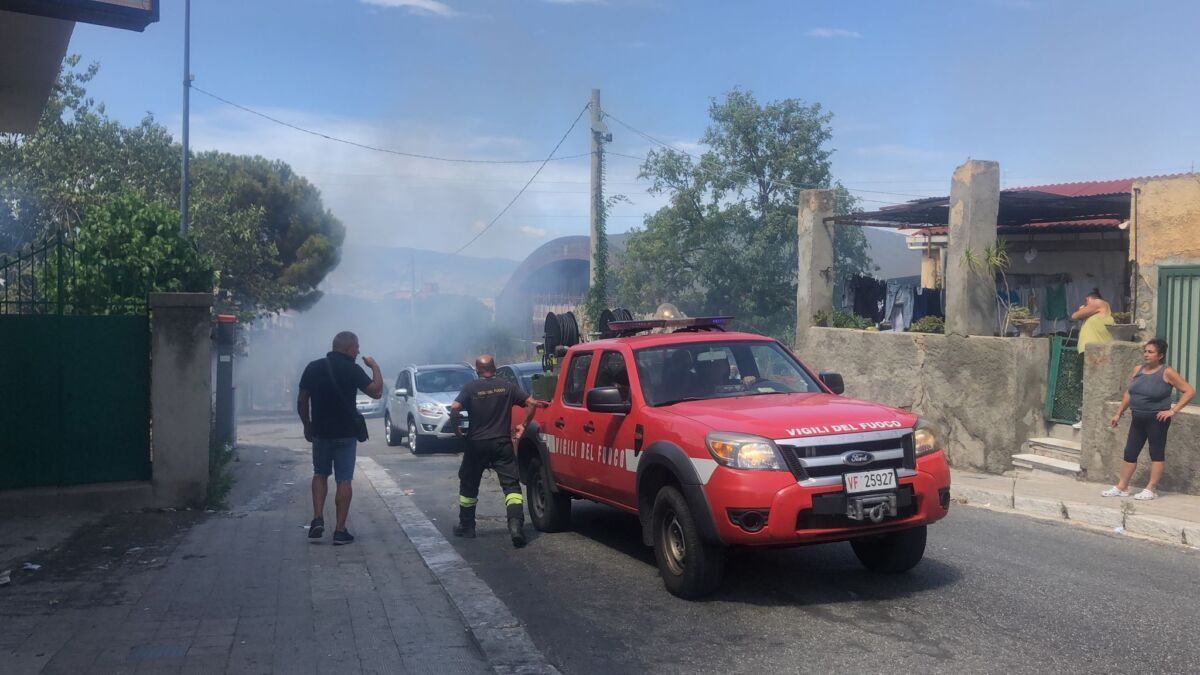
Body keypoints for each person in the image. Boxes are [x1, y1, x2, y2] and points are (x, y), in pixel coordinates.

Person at [448, 355, 545, 547]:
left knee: (468, 485)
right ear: (495, 368)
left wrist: (457, 429)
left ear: (477, 370)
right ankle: (516, 527)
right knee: (511, 488)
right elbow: (532, 403)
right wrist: (523, 426)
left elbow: (455, 407)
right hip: (502, 444)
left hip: (476, 445)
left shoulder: (470, 388)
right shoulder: (506, 387)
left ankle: (467, 527)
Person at [297, 331, 383, 545]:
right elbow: (376, 392)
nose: (359, 351)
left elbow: (302, 400)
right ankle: (340, 530)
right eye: (356, 347)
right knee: (344, 479)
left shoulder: (313, 367)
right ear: (347, 348)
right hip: (345, 434)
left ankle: (317, 518)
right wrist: (374, 367)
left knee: (320, 474)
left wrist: (307, 425)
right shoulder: (352, 369)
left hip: (320, 432)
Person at [1102, 338, 1194, 500]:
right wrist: (1119, 413)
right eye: (1145, 351)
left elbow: (1189, 391)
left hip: (1157, 419)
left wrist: (1173, 411)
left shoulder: (1167, 372)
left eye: (1150, 352)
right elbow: (1129, 392)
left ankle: (1151, 488)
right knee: (1130, 452)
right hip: (1137, 417)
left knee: (1156, 453)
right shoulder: (1138, 370)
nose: (1146, 354)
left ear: (1160, 356)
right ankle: (1122, 486)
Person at [1072, 288, 1114, 354]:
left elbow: (1075, 316)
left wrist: (1082, 309)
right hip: (1092, 350)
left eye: (1086, 302)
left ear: (1088, 299)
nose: (1085, 304)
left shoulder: (1098, 302)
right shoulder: (1093, 314)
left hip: (1096, 349)